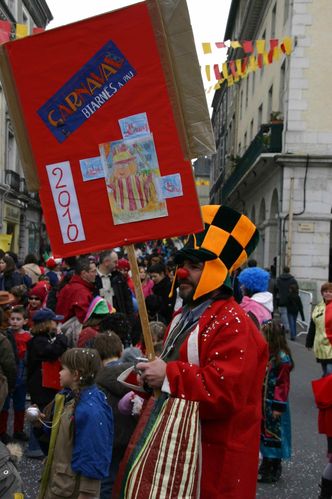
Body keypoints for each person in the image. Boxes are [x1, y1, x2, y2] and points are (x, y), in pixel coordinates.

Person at [132, 205, 268, 498]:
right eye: (183, 264)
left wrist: (167, 374)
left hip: (213, 458)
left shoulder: (235, 324)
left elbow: (225, 391)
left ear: (218, 271)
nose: (182, 272)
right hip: (181, 449)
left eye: (194, 266)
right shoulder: (186, 315)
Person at [36, 348, 114, 499]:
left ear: (76, 374)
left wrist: (87, 494)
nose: (59, 372)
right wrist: (39, 422)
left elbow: (93, 456)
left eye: (63, 368)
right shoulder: (68, 397)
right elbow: (61, 435)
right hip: (60, 484)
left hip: (69, 490)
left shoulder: (90, 410)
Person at [94, 333, 138, 498]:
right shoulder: (133, 375)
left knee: (106, 480)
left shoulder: (97, 379)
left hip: (108, 437)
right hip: (131, 434)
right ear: (120, 351)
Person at [258, 320, 293, 483]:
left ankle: (274, 466)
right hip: (264, 403)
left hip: (274, 404)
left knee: (275, 435)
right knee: (264, 433)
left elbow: (282, 385)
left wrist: (278, 406)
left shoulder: (282, 360)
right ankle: (266, 463)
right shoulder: (267, 355)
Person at [0, 306, 31, 443]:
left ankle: (18, 430)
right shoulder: (6, 335)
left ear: (25, 321)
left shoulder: (28, 337)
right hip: (10, 373)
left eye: (18, 319)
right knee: (5, 405)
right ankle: (2, 431)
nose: (14, 322)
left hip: (22, 375)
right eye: (12, 318)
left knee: (19, 404)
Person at [27, 308, 67, 412]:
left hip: (44, 387)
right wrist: (61, 337)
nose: (57, 323)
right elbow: (54, 351)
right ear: (47, 323)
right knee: (44, 415)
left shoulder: (42, 339)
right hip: (41, 390)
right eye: (54, 321)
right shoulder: (39, 342)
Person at [56, 256, 97, 323]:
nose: (96, 274)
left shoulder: (70, 286)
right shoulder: (81, 291)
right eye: (93, 271)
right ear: (84, 273)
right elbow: (84, 319)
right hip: (73, 330)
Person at [95, 250, 134, 318]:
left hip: (119, 319)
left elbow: (127, 299)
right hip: (100, 321)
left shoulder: (119, 277)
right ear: (106, 262)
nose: (117, 265)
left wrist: (129, 318)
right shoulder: (93, 279)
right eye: (115, 262)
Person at [306, 282, 332, 376]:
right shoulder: (318, 308)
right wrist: (309, 342)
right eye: (325, 291)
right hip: (321, 344)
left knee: (329, 371)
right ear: (322, 293)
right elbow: (313, 326)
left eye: (330, 291)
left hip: (331, 344)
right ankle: (325, 389)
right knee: (325, 371)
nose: (328, 293)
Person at [275, 266, 299, 331]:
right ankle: (290, 328)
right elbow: (296, 289)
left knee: (283, 313)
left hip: (281, 298)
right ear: (289, 271)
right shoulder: (293, 280)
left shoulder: (279, 279)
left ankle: (286, 327)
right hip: (291, 299)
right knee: (290, 314)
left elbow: (276, 288)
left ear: (283, 271)